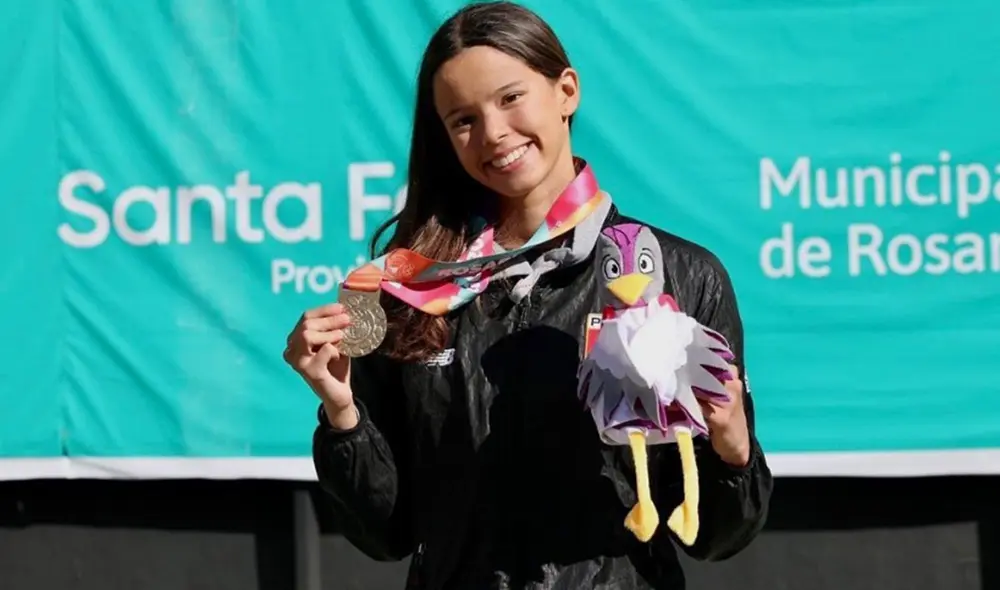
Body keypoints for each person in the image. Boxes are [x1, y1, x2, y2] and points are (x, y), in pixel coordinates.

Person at [283, 2, 773, 588]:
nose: (493, 134)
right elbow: (386, 535)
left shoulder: (681, 275)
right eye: (463, 119)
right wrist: (343, 415)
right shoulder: (413, 288)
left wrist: (733, 450)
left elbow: (717, 538)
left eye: (510, 98)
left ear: (566, 90)